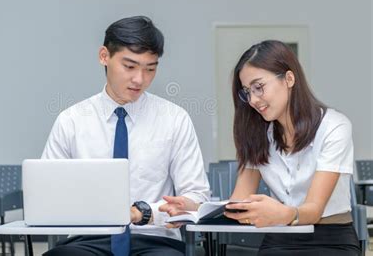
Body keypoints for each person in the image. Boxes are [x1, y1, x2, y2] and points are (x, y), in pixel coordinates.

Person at [41, 15, 210, 256]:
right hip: (88, 239)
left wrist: (146, 212)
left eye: (150, 69)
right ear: (104, 57)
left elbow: (196, 196)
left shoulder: (175, 119)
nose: (140, 79)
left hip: (154, 239)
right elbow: (48, 193)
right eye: (129, 67)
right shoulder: (72, 121)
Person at [223, 40, 361, 255]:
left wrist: (282, 213)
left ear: (289, 78)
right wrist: (194, 210)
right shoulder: (258, 134)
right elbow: (238, 202)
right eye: (247, 92)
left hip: (330, 238)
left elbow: (314, 210)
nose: (252, 100)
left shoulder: (334, 126)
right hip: (279, 238)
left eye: (259, 87)